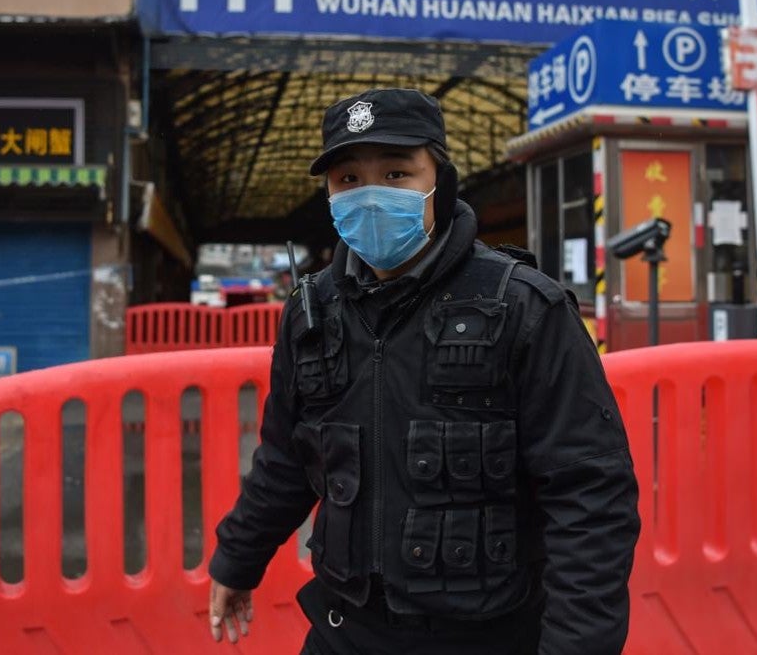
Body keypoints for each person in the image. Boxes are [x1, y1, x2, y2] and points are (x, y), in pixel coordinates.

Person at [206, 88, 640, 655]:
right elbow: (287, 458)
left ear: (441, 182)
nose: (371, 196)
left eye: (396, 173)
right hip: (345, 632)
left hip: (488, 638)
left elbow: (590, 496)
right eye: (348, 180)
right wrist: (239, 558)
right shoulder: (312, 314)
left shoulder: (524, 308)